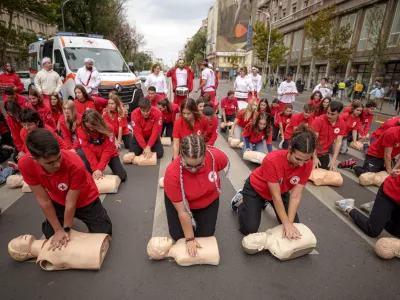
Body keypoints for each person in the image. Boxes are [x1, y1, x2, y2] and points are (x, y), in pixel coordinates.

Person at [18, 128, 112, 244]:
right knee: (50, 235)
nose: (57, 164)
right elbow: (44, 200)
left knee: (104, 234)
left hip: (85, 198)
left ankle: (99, 214)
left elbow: (71, 202)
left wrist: (67, 229)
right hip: (59, 198)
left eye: (58, 157)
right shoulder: (25, 165)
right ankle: (64, 221)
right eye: (50, 163)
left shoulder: (75, 163)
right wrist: (58, 230)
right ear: (35, 160)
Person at [232, 125, 317, 237]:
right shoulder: (272, 160)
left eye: (306, 160)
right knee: (249, 229)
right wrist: (286, 223)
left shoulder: (308, 164)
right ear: (290, 149)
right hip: (256, 189)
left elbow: (295, 195)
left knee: (294, 225)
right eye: (298, 159)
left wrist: (289, 223)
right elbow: (275, 196)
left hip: (281, 190)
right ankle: (241, 200)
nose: (301, 164)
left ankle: (263, 203)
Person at [164, 135, 229, 255]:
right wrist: (190, 239)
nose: (193, 170)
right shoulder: (172, 174)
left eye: (199, 165)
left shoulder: (216, 157)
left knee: (205, 235)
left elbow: (224, 164)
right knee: (180, 237)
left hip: (208, 199)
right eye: (188, 165)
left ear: (205, 156)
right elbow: (183, 211)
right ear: (181, 157)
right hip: (183, 202)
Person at [336, 172, 400, 238]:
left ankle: (377, 210)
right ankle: (347, 206)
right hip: (389, 193)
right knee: (372, 230)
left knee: (395, 231)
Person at [77, 110, 127, 181]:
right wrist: (95, 169)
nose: (91, 129)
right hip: (93, 155)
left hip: (110, 154)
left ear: (98, 123)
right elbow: (88, 152)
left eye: (93, 127)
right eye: (88, 127)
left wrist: (99, 169)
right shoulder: (81, 131)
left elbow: (108, 151)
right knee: (85, 178)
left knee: (122, 177)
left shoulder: (108, 129)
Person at [311, 101, 346, 170]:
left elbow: (338, 142)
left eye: (332, 114)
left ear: (339, 113)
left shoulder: (341, 123)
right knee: (311, 173)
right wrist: (314, 157)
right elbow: (313, 140)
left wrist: (334, 159)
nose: (329, 116)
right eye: (328, 113)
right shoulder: (319, 120)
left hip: (324, 152)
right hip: (311, 151)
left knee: (327, 173)